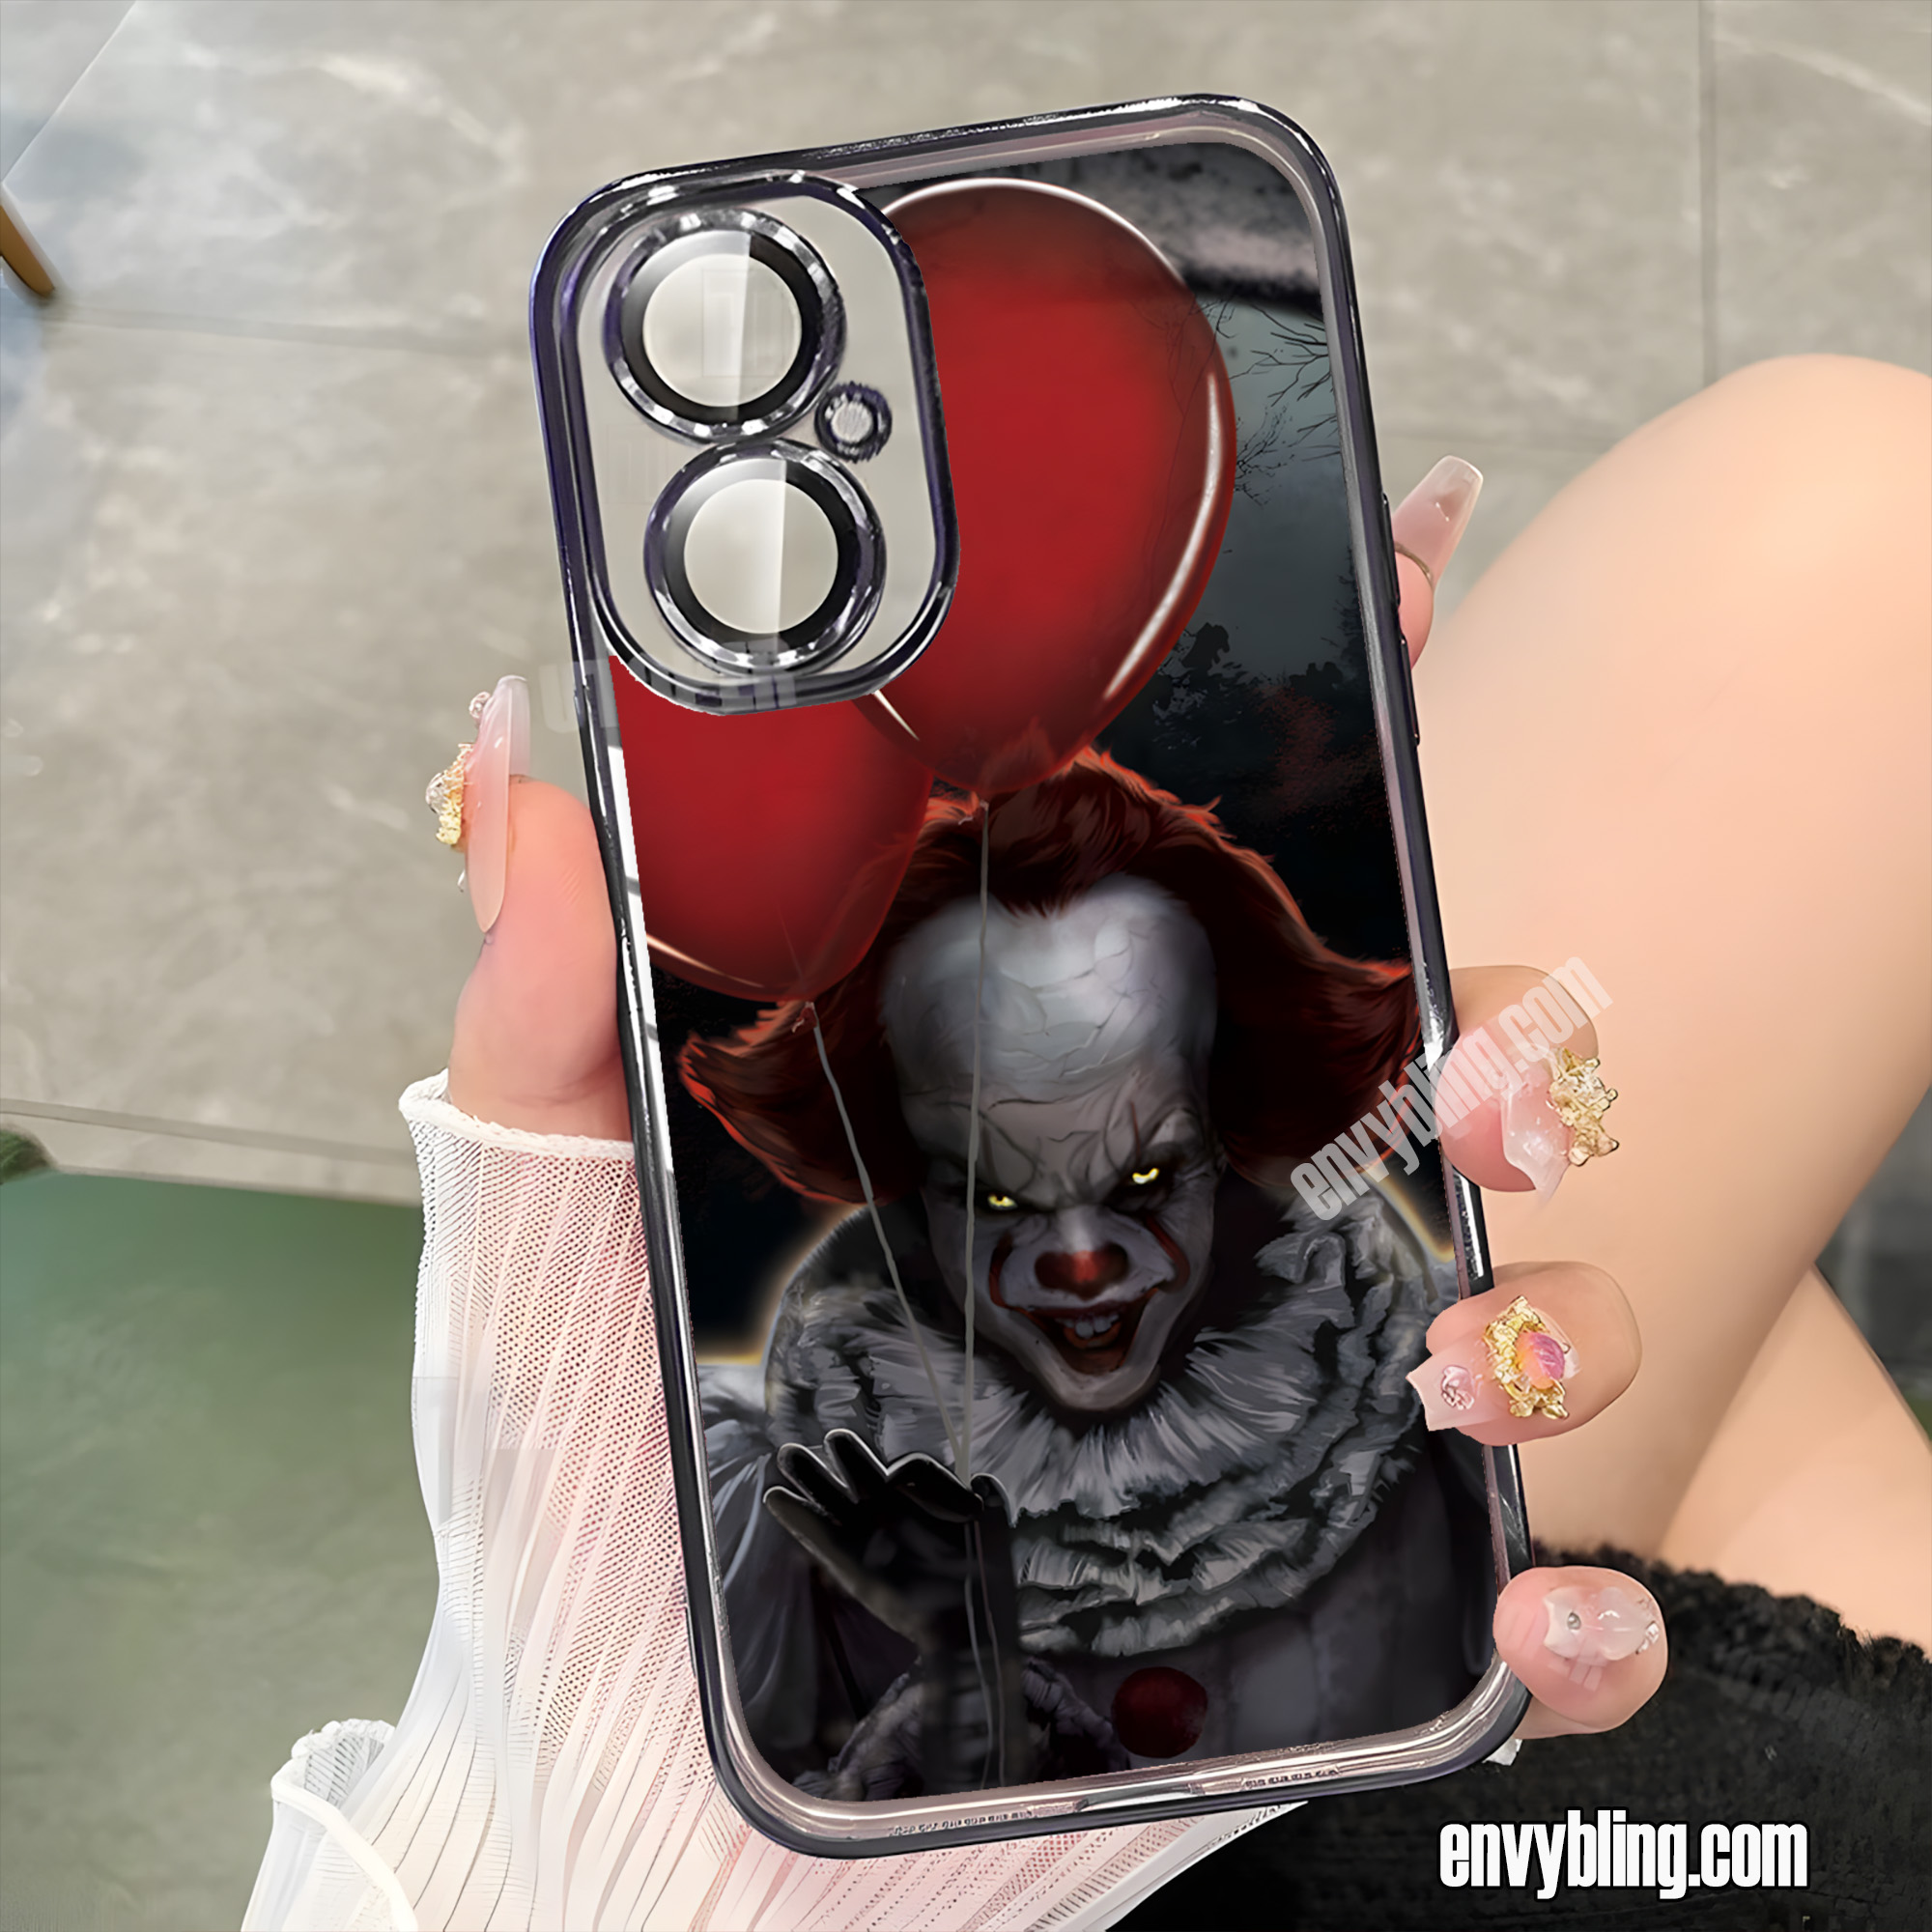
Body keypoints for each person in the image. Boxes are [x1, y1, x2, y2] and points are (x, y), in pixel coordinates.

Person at [243, 355, 1929, 1931]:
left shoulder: (1381, 1375)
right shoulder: (777, 1526)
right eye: (987, 1190)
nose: (1071, 1256)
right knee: (1842, 505)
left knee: (1846, 501)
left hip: (1477, 1725)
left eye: (1142, 1178)